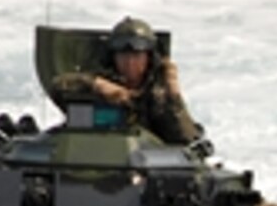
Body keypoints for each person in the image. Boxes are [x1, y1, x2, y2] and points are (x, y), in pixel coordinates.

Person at [53, 16, 201, 144]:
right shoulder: (100, 86)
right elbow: (58, 87)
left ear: (148, 58)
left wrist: (173, 96)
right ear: (113, 58)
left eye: (137, 56)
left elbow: (185, 139)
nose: (130, 63)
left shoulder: (157, 94)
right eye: (123, 56)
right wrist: (97, 85)